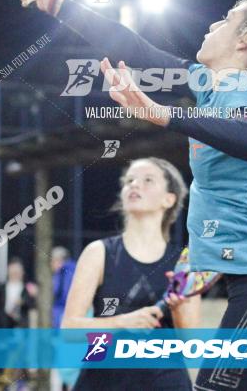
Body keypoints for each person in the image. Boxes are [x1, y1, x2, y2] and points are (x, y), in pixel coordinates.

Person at [16, 0, 247, 390]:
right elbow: (135, 49)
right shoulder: (212, 86)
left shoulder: (241, 94)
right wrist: (55, 2)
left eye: (225, 20)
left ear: (245, 39)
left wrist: (162, 114)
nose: (212, 25)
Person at [61, 157, 201, 390]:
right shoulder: (98, 253)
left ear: (169, 199)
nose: (135, 185)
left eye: (148, 180)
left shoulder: (184, 262)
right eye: (129, 181)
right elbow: (70, 331)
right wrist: (123, 322)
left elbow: (192, 346)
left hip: (164, 381)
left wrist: (179, 311)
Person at [0, 257, 37, 328]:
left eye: (17, 272)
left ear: (22, 272)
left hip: (21, 327)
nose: (14, 274)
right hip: (4, 327)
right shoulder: (0, 289)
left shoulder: (28, 288)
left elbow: (32, 305)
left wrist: (23, 301)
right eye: (12, 271)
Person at [50, 246, 76, 329]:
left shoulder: (62, 273)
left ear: (59, 260)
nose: (51, 264)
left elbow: (59, 293)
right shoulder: (75, 268)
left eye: (52, 261)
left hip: (63, 312)